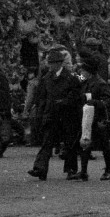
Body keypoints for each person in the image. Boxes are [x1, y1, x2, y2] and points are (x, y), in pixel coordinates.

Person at [28, 48, 82, 180]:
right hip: (51, 114)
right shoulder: (46, 78)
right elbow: (41, 98)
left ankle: (71, 170)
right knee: (46, 142)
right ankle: (40, 169)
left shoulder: (71, 78)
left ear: (59, 63)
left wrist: (64, 101)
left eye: (52, 63)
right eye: (49, 63)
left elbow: (76, 96)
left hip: (67, 115)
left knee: (69, 143)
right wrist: (40, 114)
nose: (49, 65)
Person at [75, 59, 110, 181]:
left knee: (104, 145)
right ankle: (84, 171)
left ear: (89, 72)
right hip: (88, 118)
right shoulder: (86, 82)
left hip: (100, 118)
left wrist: (95, 102)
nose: (81, 72)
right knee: (85, 143)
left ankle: (108, 170)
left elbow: (108, 101)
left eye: (83, 70)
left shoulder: (100, 83)